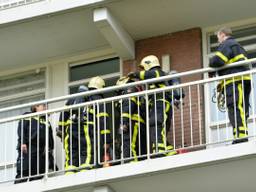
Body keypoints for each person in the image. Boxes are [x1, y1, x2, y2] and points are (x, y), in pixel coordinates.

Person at [128, 55, 177, 157]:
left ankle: (159, 152)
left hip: (161, 103)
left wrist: (136, 74)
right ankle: (170, 152)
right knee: (156, 129)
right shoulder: (152, 79)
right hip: (157, 105)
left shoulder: (158, 72)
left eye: (143, 67)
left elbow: (150, 74)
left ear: (149, 64)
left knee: (156, 126)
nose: (142, 70)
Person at [210, 27, 251, 144]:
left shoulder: (227, 44)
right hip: (243, 80)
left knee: (235, 107)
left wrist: (211, 67)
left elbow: (217, 60)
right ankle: (240, 134)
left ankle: (240, 137)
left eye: (218, 37)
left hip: (234, 81)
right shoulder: (239, 46)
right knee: (241, 108)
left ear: (222, 34)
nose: (218, 40)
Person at [15, 104, 54, 184]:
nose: (46, 108)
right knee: (24, 172)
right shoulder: (28, 116)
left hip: (41, 151)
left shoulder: (46, 121)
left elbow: (50, 137)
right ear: (36, 107)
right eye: (43, 106)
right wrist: (23, 143)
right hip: (29, 147)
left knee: (38, 174)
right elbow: (22, 129)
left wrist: (49, 148)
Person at [58, 85, 89, 175]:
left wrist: (61, 130)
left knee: (71, 150)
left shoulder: (70, 100)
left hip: (69, 128)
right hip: (81, 127)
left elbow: (63, 115)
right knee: (84, 148)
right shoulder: (84, 99)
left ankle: (70, 171)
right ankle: (84, 168)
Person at [116, 76, 147, 162]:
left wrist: (124, 123)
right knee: (140, 149)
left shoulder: (128, 91)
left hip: (132, 123)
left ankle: (130, 163)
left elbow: (127, 107)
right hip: (140, 124)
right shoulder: (136, 91)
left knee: (129, 144)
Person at [84, 76, 111, 169]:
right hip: (96, 135)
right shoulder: (99, 101)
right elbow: (103, 121)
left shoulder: (85, 100)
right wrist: (107, 140)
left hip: (85, 135)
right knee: (97, 158)